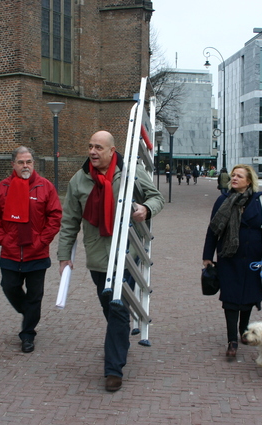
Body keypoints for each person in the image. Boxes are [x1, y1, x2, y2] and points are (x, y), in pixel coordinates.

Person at [57, 130, 165, 392]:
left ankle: (113, 369)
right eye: (90, 146)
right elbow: (70, 221)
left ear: (112, 151)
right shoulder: (79, 181)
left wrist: (146, 209)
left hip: (127, 254)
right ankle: (119, 339)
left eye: (98, 148)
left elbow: (156, 197)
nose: (92, 152)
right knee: (111, 309)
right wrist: (63, 257)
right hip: (97, 258)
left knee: (117, 307)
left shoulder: (130, 173)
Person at [0, 146, 62, 353]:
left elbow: (55, 217)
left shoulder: (45, 187)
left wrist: (41, 241)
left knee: (35, 295)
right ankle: (29, 312)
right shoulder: (3, 187)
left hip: (36, 253)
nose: (25, 166)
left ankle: (28, 334)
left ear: (33, 163)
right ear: (13, 164)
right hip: (10, 252)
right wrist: (2, 239)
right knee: (9, 286)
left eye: (29, 161)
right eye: (21, 162)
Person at [202, 164, 262, 359]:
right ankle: (232, 341)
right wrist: (207, 256)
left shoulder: (261, 201)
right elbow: (213, 230)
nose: (234, 178)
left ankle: (243, 331)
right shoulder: (223, 200)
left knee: (248, 299)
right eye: (233, 175)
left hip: (253, 258)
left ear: (249, 181)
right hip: (229, 257)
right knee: (230, 299)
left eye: (239, 176)